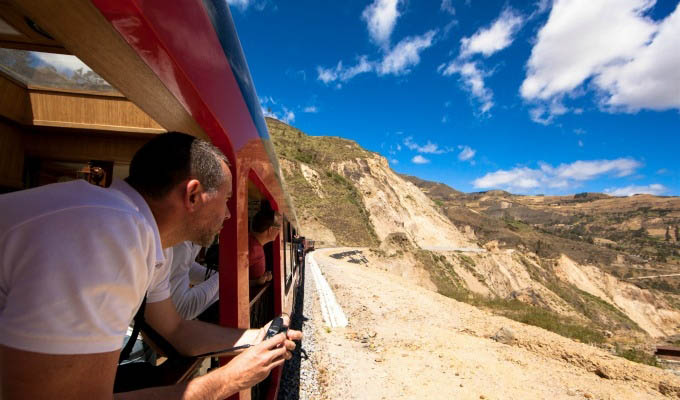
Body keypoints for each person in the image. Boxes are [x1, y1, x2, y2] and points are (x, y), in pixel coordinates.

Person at [0, 132, 301, 399]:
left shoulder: (145, 237)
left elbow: (176, 329)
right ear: (193, 195)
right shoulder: (113, 235)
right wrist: (229, 380)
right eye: (226, 200)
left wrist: (258, 337)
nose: (227, 214)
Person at [168, 241, 219, 320]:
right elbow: (181, 310)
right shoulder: (181, 244)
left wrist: (215, 277)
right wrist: (223, 277)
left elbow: (185, 266)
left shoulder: (194, 240)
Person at [248, 208, 280, 286]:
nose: (279, 231)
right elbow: (233, 279)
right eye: (278, 228)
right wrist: (255, 282)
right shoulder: (253, 249)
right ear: (271, 229)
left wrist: (264, 276)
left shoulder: (253, 243)